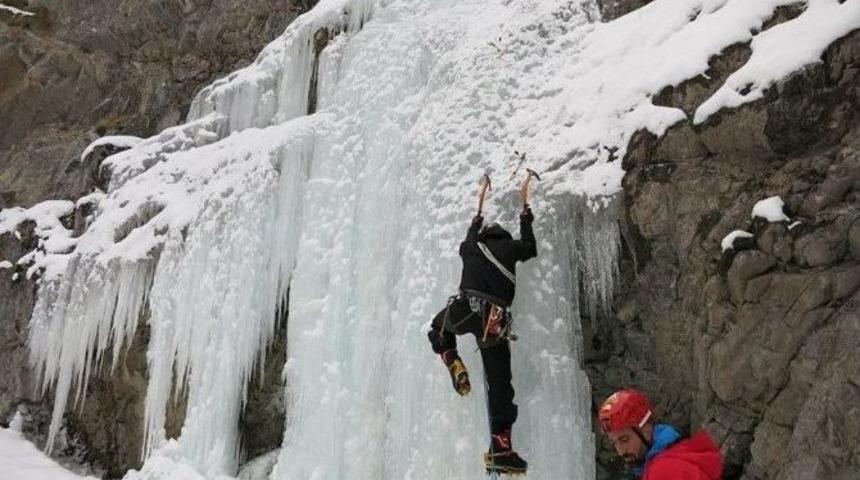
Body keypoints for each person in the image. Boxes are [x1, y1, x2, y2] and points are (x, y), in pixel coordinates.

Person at [427, 206, 537, 475]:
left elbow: (467, 240)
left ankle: (453, 360)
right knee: (500, 385)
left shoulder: (471, 247)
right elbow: (530, 248)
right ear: (503, 238)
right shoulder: (510, 248)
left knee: (438, 329)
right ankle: (501, 448)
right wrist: (525, 219)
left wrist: (475, 224)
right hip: (493, 321)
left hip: (465, 309)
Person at [598, 388, 724, 480]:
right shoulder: (676, 452)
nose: (620, 451)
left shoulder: (663, 471)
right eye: (614, 443)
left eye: (625, 439)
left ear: (646, 431)